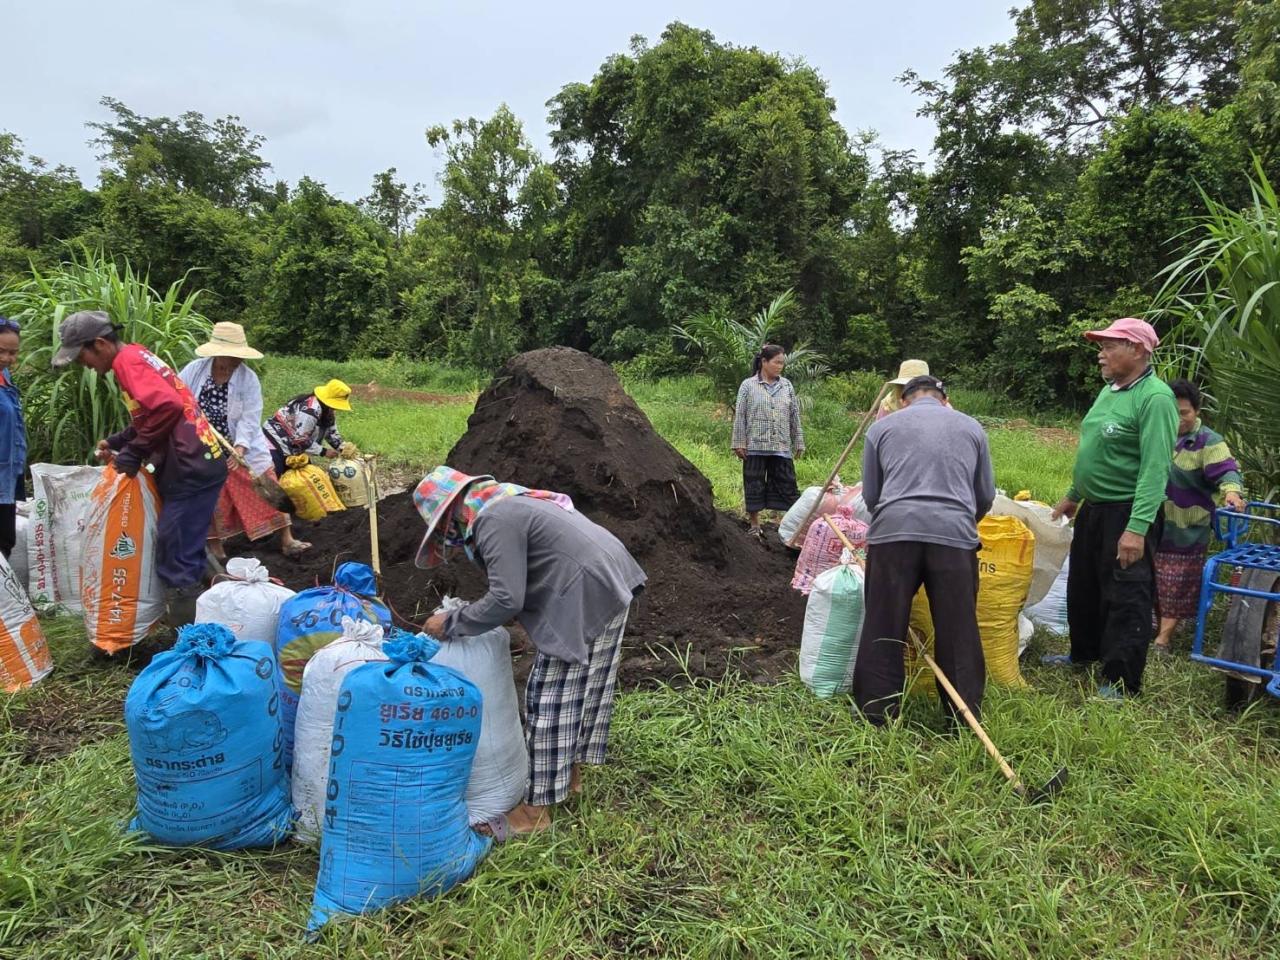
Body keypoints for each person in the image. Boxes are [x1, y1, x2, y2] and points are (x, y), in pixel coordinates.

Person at [416, 466, 646, 837]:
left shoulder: (492, 519)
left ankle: (534, 813)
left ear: (450, 515)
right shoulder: (510, 503)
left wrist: (451, 622)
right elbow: (531, 575)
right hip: (611, 578)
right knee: (585, 688)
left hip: (584, 589)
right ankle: (570, 778)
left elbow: (506, 598)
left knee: (549, 699)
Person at [51, 311, 228, 629]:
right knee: (182, 540)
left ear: (100, 344)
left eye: (82, 357)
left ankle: (188, 635)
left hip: (191, 466)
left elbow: (167, 407)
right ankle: (219, 606)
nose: (84, 365)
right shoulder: (136, 354)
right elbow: (151, 414)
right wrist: (119, 441)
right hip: (199, 461)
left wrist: (134, 452)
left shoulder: (126, 362)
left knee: (175, 549)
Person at [1046, 317, 1178, 698]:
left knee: (1126, 594)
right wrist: (1074, 494)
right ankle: (1083, 654)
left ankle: (1121, 680)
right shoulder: (1110, 391)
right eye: (1100, 347)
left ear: (1136, 350)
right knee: (1084, 585)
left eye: (1108, 347)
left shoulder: (1155, 398)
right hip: (1095, 508)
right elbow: (1096, 450)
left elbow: (1155, 469)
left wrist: (1136, 528)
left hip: (1127, 511)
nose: (1100, 355)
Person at [853, 375, 995, 725]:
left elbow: (871, 495)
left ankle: (877, 715)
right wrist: (960, 521)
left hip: (893, 536)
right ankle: (963, 719)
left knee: (883, 624)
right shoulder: (972, 428)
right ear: (945, 399)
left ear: (904, 400)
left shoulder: (881, 429)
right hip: (954, 537)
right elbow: (985, 495)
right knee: (958, 629)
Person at [179, 323, 309, 560]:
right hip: (205, 445)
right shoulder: (194, 371)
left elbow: (250, 417)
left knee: (264, 483)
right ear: (218, 353)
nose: (237, 360)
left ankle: (287, 539)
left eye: (239, 356)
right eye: (232, 355)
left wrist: (239, 447)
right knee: (211, 495)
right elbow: (179, 398)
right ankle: (216, 549)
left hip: (242, 445)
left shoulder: (248, 379)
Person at [1152, 379, 1245, 654]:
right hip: (1152, 524)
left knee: (1177, 584)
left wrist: (1232, 492)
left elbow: (1227, 471)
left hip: (1186, 529)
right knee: (1148, 579)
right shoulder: (1156, 432)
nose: (1178, 419)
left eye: (1184, 413)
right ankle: (1152, 625)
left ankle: (1162, 640)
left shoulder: (1208, 442)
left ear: (1196, 411)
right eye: (1173, 412)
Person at [731, 344, 805, 538]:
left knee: (787, 484)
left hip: (780, 445)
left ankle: (788, 525)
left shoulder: (786, 385)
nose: (780, 366)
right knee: (753, 484)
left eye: (782, 363)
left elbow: (794, 415)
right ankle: (755, 524)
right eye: (776, 362)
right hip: (755, 445)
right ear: (764, 362)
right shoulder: (748, 385)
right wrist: (738, 442)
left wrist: (799, 441)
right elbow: (740, 415)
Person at [262, 379, 352, 474]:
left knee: (308, 476)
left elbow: (331, 433)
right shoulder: (310, 411)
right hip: (275, 441)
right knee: (276, 475)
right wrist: (324, 451)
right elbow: (300, 439)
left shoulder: (328, 411)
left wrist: (344, 449)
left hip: (293, 446)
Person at [0, 316, 27, 560]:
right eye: (1, 351)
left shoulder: (4, 375)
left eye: (12, 353)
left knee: (6, 540)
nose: (7, 358)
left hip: (7, 472)